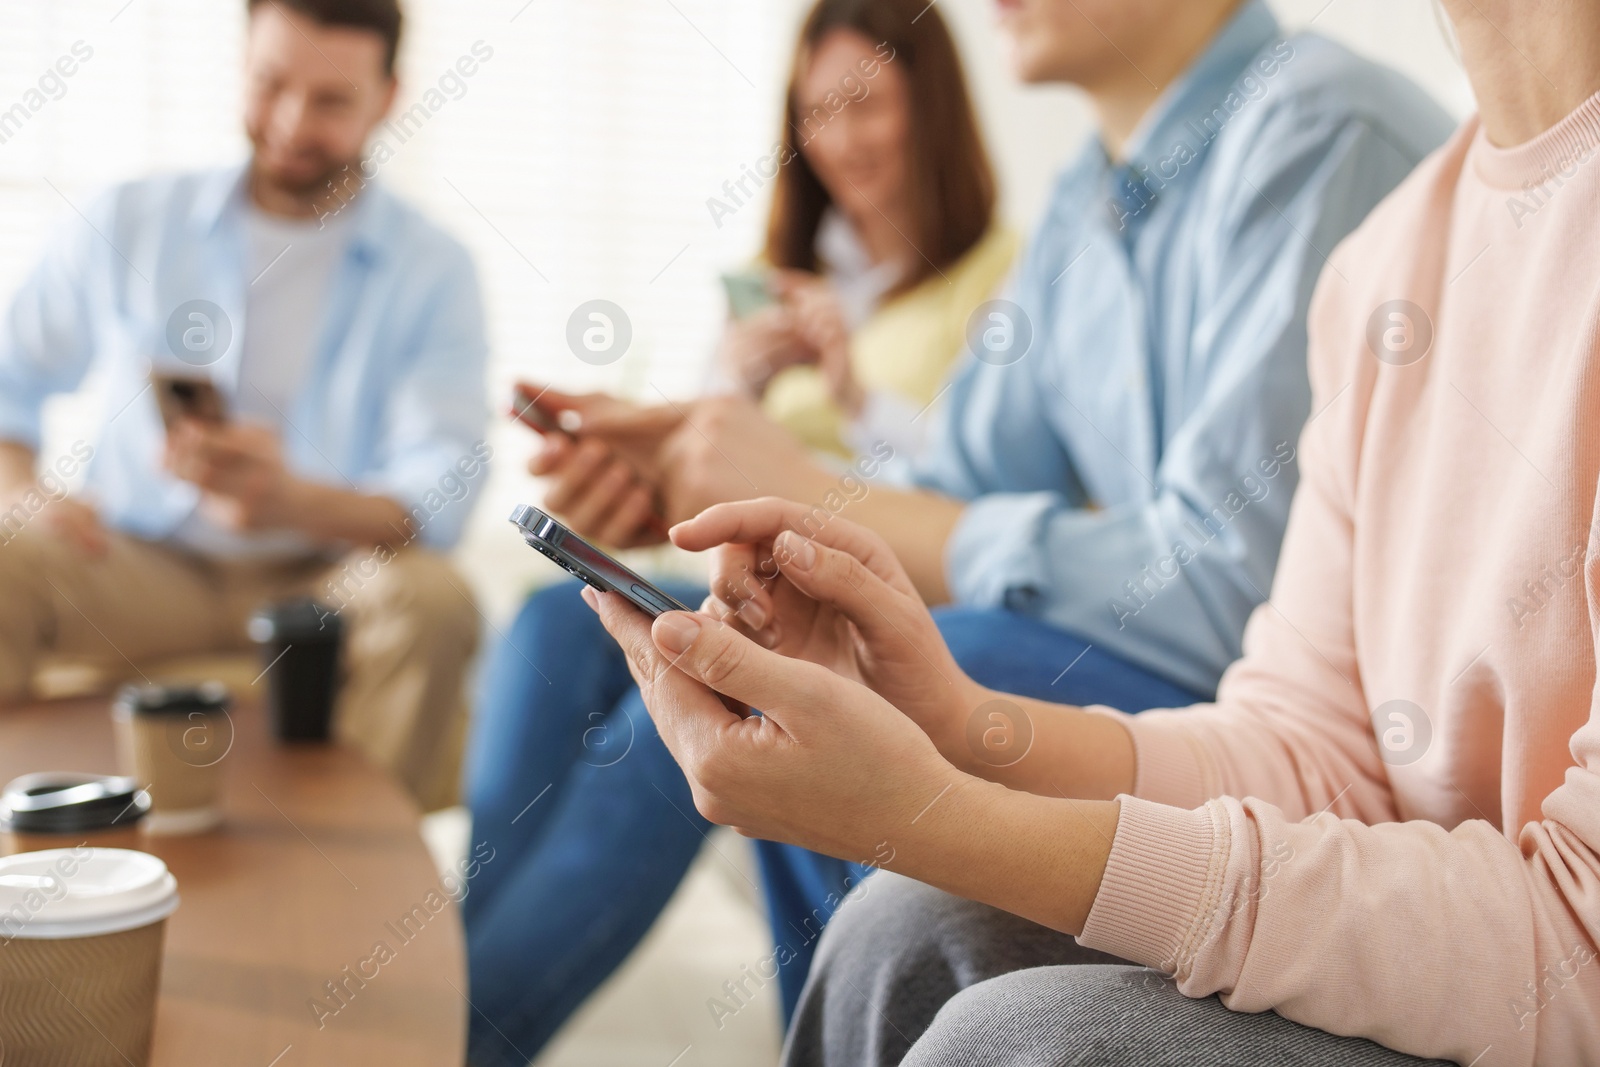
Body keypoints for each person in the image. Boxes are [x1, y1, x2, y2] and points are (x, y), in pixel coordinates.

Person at [592, 0, 1600, 1060]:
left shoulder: (1325, 135)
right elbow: (1318, 752)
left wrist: (940, 814)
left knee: (1020, 1038)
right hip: (1446, 917)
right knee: (902, 932)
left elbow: (1576, 944)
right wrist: (949, 717)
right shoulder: (1389, 256)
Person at [464, 2, 1016, 1060]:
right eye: (818, 112)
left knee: (665, 709)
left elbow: (982, 487)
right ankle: (447, 975)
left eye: (869, 106)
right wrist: (728, 384)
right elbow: (711, 472)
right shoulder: (784, 272)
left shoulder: (998, 276)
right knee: (548, 617)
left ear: (931, 108)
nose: (842, 138)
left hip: (869, 590)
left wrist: (853, 399)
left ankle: (453, 1031)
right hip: (734, 569)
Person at [0, 0, 488, 812]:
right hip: (138, 560)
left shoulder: (434, 269)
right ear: (242, 67)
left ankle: (357, 885)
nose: (293, 123)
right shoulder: (130, 218)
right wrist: (25, 492)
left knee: (435, 600)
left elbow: (439, 495)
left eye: (332, 100)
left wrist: (289, 500)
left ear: (387, 97)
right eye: (271, 84)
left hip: (325, 578)